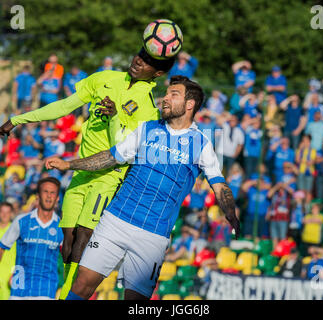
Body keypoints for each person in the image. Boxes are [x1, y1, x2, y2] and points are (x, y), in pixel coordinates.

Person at [0, 43, 177, 300]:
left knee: (84, 238)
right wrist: (17, 120)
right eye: (139, 54)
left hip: (108, 176)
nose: (138, 60)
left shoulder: (149, 110)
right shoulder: (105, 78)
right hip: (80, 172)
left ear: (157, 73)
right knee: (68, 243)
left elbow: (122, 151)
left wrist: (116, 116)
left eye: (147, 60)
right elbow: (64, 106)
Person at [45, 76, 240, 300]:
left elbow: (218, 183)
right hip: (115, 221)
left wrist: (230, 213)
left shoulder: (202, 143)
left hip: (153, 236)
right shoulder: (147, 129)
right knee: (81, 285)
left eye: (173, 94)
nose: (165, 98)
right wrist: (69, 164)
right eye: (166, 93)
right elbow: (111, 157)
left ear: (190, 104)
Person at [0, 177, 63, 300]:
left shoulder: (62, 226)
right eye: (45, 192)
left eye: (52, 193)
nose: (49, 196)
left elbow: (68, 259)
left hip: (45, 291)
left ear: (57, 198)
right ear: (37, 196)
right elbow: (1, 248)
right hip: (19, 290)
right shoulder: (21, 221)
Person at [266, 182, 293, 249]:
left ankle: (282, 253)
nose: (280, 189)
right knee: (274, 238)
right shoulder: (275, 194)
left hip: (283, 219)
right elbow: (268, 195)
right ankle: (275, 253)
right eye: (280, 188)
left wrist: (285, 186)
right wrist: (276, 187)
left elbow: (293, 192)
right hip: (274, 218)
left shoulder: (287, 195)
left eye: (281, 188)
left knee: (282, 238)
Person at [0, 202, 16, 300]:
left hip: (9, 277)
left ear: (11, 214)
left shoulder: (15, 231)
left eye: (7, 212)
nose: (5, 215)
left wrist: (16, 274)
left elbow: (22, 255)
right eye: (2, 212)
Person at [295, 135, 317, 201]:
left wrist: (303, 161)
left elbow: (311, 162)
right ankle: (301, 207)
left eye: (305, 140)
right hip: (301, 172)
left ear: (308, 141)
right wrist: (300, 149)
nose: (303, 142)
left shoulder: (313, 150)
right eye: (303, 140)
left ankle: (307, 208)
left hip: (309, 173)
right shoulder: (300, 150)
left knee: (308, 191)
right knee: (301, 191)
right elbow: (297, 160)